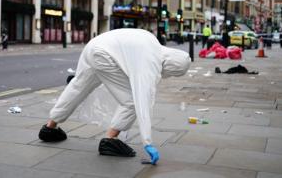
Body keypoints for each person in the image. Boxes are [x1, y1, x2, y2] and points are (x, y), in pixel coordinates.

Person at [38, 29, 191, 165]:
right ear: (171, 66)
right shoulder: (151, 62)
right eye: (172, 73)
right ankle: (110, 141)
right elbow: (143, 101)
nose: (168, 75)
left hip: (94, 46)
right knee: (131, 101)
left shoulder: (152, 40)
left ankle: (50, 128)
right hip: (104, 56)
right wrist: (147, 142)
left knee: (78, 86)